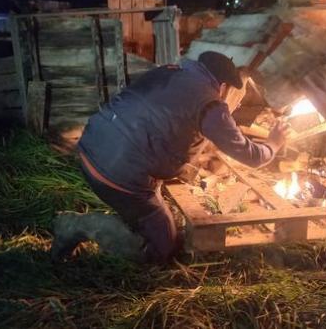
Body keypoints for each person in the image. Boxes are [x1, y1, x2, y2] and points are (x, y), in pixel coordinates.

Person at [52, 51, 291, 263]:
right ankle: (77, 226)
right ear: (224, 86)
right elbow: (252, 157)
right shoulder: (210, 104)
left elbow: (165, 125)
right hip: (118, 174)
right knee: (163, 247)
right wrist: (273, 142)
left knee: (151, 216)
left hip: (92, 147)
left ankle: (127, 220)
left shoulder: (168, 72)